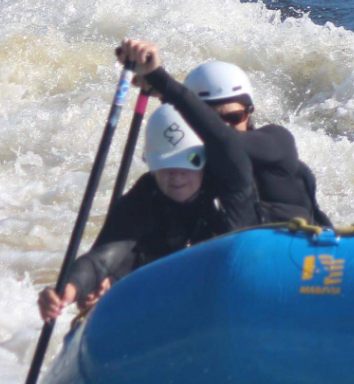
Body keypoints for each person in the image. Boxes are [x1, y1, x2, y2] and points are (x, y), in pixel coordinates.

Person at [38, 40, 260, 320]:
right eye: (165, 167)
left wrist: (158, 77)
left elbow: (228, 149)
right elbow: (104, 256)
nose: (177, 177)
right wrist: (70, 290)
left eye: (188, 165)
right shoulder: (147, 194)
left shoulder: (239, 177)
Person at [183, 61, 333, 228]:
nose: (224, 128)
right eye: (212, 121)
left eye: (234, 117)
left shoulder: (277, 142)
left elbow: (226, 141)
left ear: (249, 112)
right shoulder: (181, 167)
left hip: (296, 245)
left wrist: (162, 81)